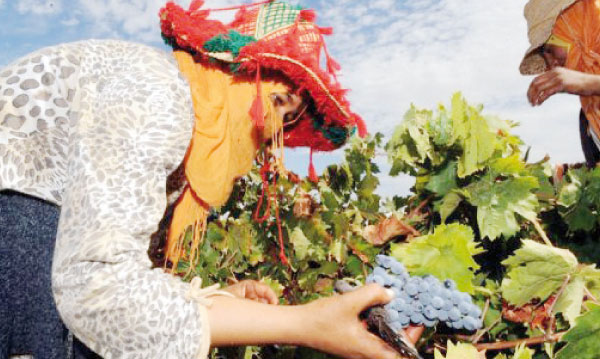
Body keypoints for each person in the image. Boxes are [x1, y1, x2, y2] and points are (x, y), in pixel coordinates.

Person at [0, 1, 422, 358]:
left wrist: (220, 304)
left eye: (288, 119)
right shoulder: (156, 96)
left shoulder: (182, 121)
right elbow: (97, 290)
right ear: (232, 70)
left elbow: (113, 270)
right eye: (276, 100)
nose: (271, 133)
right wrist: (303, 323)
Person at [522, 0, 600, 167]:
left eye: (550, 50)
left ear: (572, 27)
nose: (551, 65)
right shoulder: (588, 118)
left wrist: (589, 83)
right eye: (545, 58)